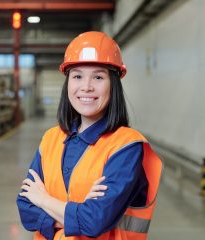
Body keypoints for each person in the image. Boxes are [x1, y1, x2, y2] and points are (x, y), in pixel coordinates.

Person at [16, 31, 162, 240]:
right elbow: (25, 209)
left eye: (98, 77)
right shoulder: (51, 139)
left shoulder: (127, 146)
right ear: (68, 83)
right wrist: (79, 214)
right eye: (77, 76)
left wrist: (43, 200)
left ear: (113, 84)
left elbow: (94, 222)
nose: (86, 86)